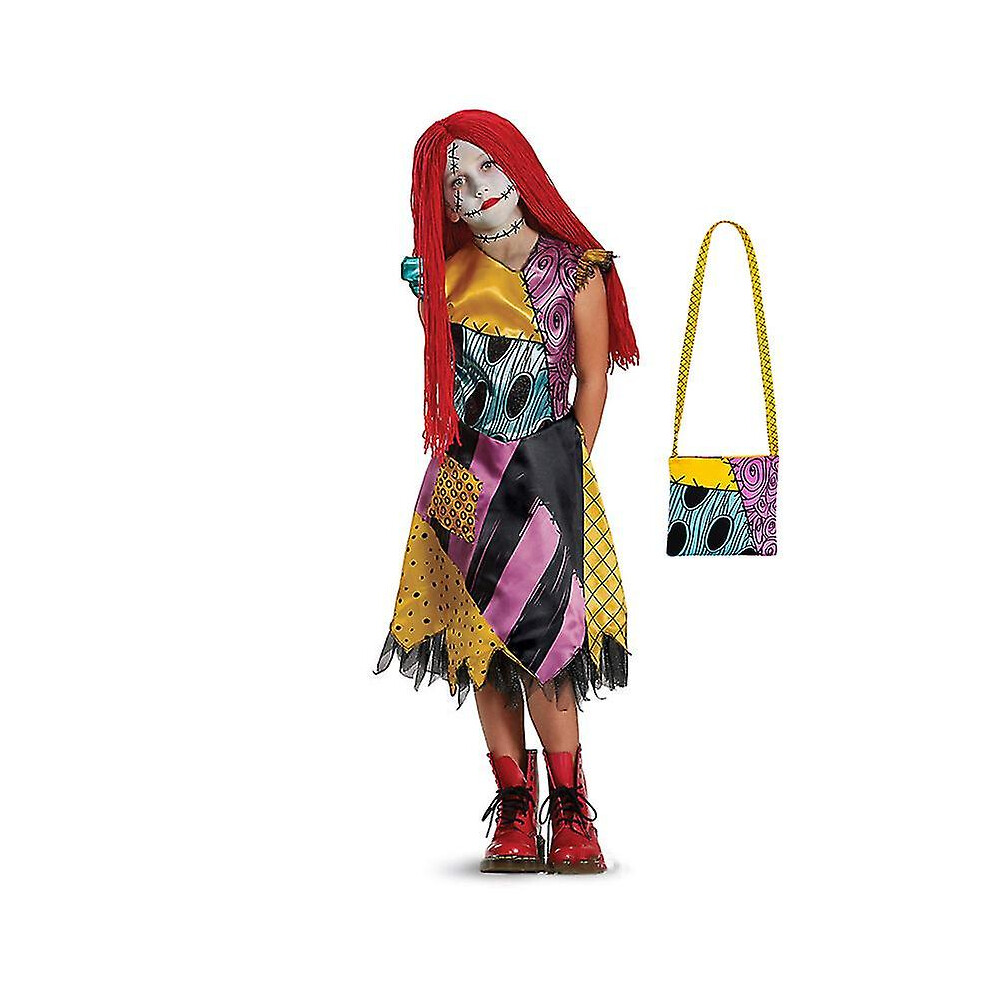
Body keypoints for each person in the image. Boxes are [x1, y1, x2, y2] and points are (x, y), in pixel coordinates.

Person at [377, 110, 638, 874]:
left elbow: (592, 379)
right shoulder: (444, 274)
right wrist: (426, 298)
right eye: (455, 182)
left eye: (486, 167)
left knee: (547, 639)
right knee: (480, 642)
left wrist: (565, 466)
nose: (476, 187)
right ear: (447, 207)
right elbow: (447, 374)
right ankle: (515, 804)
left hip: (544, 472)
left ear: (519, 169)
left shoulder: (577, 271)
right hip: (460, 477)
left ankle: (570, 806)